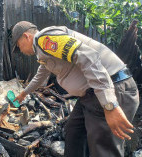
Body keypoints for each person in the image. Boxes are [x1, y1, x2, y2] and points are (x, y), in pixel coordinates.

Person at [12, 21, 139, 157]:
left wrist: (109, 104)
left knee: (103, 149)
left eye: (19, 46)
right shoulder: (43, 52)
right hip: (90, 96)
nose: (21, 51)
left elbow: (87, 57)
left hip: (113, 88)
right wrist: (23, 94)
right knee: (74, 132)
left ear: (26, 36)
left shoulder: (45, 40)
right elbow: (40, 76)